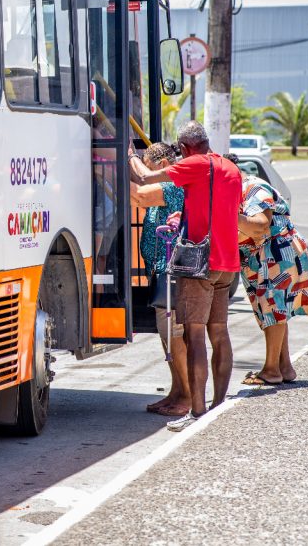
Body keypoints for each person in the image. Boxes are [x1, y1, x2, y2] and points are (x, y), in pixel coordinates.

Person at [129, 121, 242, 432]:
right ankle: (219, 405)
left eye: (180, 150)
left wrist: (127, 154)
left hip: (199, 263)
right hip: (227, 263)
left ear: (187, 148)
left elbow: (144, 177)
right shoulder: (230, 168)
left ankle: (196, 410)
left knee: (193, 337)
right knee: (219, 334)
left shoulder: (194, 164)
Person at [235, 165, 308, 385]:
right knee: (275, 310)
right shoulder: (244, 188)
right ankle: (284, 367)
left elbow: (261, 225)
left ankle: (271, 370)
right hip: (271, 254)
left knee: (273, 309)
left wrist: (226, 213)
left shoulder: (252, 187)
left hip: (275, 253)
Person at [129, 142, 190, 417]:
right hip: (160, 270)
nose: (150, 175)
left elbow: (140, 194)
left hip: (172, 272)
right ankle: (176, 392)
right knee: (168, 337)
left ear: (163, 164)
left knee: (175, 336)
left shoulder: (173, 184)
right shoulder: (166, 183)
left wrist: (126, 160)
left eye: (152, 169)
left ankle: (186, 395)